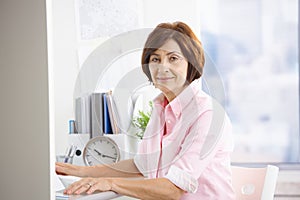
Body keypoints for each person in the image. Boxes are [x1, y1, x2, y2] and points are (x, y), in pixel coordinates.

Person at [56, 21, 235, 200]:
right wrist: (81, 171)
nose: (162, 67)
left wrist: (110, 182)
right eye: (155, 59)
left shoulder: (208, 114)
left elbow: (173, 190)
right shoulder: (160, 108)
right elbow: (141, 167)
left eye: (173, 58)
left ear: (191, 63)